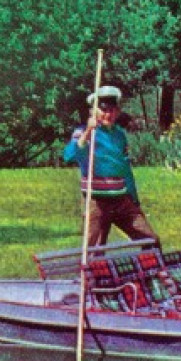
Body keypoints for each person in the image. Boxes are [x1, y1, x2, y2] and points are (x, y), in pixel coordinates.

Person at [62, 84, 159, 248]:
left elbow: (125, 168)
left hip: (122, 199)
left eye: (112, 110)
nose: (108, 114)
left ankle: (152, 271)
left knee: (150, 240)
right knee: (94, 250)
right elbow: (71, 155)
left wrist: (133, 198)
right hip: (97, 201)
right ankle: (92, 274)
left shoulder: (119, 135)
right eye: (103, 110)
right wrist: (87, 133)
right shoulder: (83, 132)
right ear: (93, 112)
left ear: (118, 112)